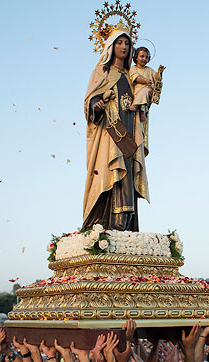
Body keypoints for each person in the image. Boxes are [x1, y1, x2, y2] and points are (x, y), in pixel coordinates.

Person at [83, 27, 149, 230]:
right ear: (111, 46)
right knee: (110, 170)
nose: (123, 47)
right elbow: (90, 100)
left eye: (127, 43)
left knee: (127, 173)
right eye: (119, 42)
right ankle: (104, 225)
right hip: (110, 132)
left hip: (129, 130)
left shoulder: (132, 74)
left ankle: (126, 225)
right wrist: (97, 104)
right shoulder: (102, 71)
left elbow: (144, 96)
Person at [129, 46, 158, 123]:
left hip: (147, 90)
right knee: (142, 92)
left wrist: (160, 72)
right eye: (142, 56)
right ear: (136, 57)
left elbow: (156, 78)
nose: (144, 59)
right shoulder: (133, 68)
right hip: (137, 90)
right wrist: (145, 80)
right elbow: (135, 77)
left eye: (147, 57)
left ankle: (140, 109)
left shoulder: (149, 70)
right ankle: (139, 107)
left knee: (146, 91)